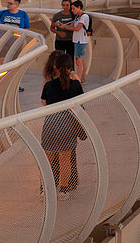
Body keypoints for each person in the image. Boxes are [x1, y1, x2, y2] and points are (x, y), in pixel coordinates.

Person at [41, 51, 84, 200]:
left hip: (51, 124)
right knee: (64, 159)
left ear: (55, 67)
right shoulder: (76, 85)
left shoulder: (48, 85)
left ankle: (44, 190)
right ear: (70, 68)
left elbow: (44, 104)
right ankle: (63, 191)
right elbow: (81, 104)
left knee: (47, 159)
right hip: (68, 125)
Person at [61, 0, 92, 82]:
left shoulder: (84, 17)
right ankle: (82, 78)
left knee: (78, 61)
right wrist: (64, 26)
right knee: (81, 60)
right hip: (77, 40)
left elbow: (77, 28)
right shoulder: (77, 17)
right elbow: (71, 26)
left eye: (73, 8)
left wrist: (65, 27)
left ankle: (78, 80)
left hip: (80, 41)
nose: (72, 10)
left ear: (79, 7)